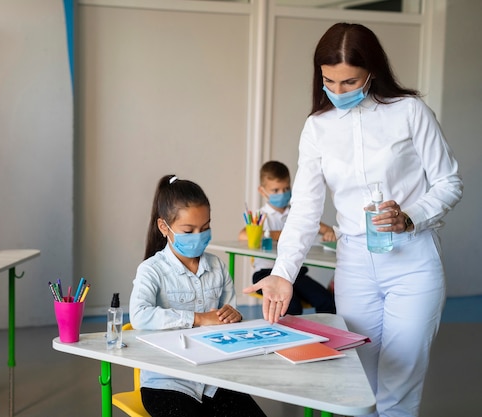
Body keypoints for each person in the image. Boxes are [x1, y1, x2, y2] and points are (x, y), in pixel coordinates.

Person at [244, 23, 463, 417]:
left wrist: (409, 217)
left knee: (399, 388)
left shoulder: (409, 112)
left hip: (413, 263)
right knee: (355, 385)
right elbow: (306, 209)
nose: (338, 91)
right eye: (329, 81)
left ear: (372, 72)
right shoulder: (317, 128)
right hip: (355, 265)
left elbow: (449, 182)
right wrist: (282, 272)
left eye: (350, 81)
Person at [130, 175, 267, 417]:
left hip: (213, 378)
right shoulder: (151, 270)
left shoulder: (218, 267)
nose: (198, 236)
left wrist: (234, 315)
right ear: (165, 227)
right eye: (188, 230)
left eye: (205, 228)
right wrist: (199, 318)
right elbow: (140, 316)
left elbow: (229, 317)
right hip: (166, 382)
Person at [239, 160, 336, 315]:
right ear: (262, 191)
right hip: (266, 273)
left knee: (326, 300)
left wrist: (329, 232)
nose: (282, 194)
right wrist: (280, 235)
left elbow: (324, 228)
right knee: (290, 305)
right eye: (275, 190)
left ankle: (326, 335)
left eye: (286, 189)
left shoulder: (297, 215)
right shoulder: (261, 217)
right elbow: (243, 235)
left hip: (294, 272)